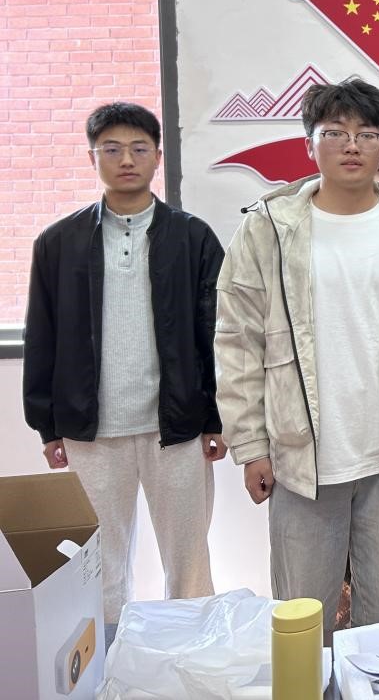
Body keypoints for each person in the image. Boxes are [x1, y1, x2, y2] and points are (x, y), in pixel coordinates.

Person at [215, 78, 379, 638]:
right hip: (299, 456)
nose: (352, 145)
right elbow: (237, 340)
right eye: (335, 133)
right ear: (310, 144)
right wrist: (250, 445)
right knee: (302, 620)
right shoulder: (269, 227)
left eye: (366, 134)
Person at [22, 102, 224, 629]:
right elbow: (42, 336)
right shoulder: (58, 243)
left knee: (188, 561)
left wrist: (217, 418)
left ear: (158, 156)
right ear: (92, 157)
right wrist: (47, 425)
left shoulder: (193, 238)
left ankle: (190, 656)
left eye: (138, 148)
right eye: (111, 149)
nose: (126, 160)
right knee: (99, 564)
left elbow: (215, 333)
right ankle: (107, 661)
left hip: (176, 426)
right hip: (91, 429)